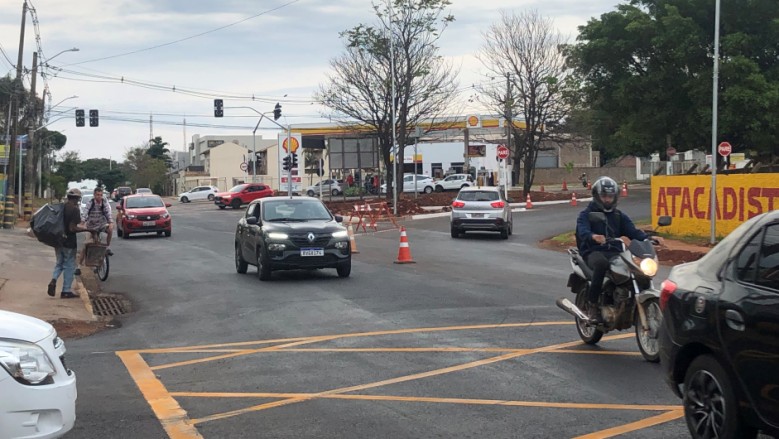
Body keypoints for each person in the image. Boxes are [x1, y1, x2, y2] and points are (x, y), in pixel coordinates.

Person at [575, 177, 660, 322]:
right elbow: (582, 231)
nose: (607, 199)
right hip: (593, 251)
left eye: (610, 196)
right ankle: (593, 306)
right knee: (601, 265)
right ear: (597, 196)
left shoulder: (619, 215)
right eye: (604, 196)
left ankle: (624, 299)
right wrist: (593, 236)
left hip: (615, 251)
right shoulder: (587, 214)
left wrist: (649, 238)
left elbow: (633, 231)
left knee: (633, 267)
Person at [48, 188, 89, 299]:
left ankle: (54, 279)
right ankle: (66, 291)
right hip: (69, 242)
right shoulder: (74, 210)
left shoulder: (62, 207)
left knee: (59, 263)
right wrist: (86, 229)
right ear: (76, 198)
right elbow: (72, 228)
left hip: (58, 240)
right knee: (69, 266)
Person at [78, 187, 114, 271]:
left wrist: (111, 222)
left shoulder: (104, 202)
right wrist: (82, 222)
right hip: (91, 226)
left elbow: (107, 212)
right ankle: (79, 266)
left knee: (110, 230)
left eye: (101, 195)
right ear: (94, 195)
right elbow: (85, 212)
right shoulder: (91, 203)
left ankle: (108, 247)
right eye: (97, 195)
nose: (99, 197)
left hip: (101, 224)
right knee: (86, 246)